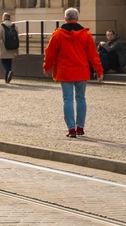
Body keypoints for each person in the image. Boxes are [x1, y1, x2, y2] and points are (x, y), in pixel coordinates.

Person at [42, 7, 104, 138]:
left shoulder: (58, 34)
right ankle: (80, 127)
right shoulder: (85, 35)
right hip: (81, 70)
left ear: (65, 19)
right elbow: (93, 55)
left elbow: (50, 52)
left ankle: (71, 129)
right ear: (77, 18)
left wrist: (47, 66)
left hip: (65, 71)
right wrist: (99, 70)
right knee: (81, 98)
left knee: (67, 99)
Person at [0, 12, 20, 83]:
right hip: (12, 48)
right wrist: (17, 50)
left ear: (4, 18)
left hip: (4, 47)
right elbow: (16, 38)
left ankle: (8, 71)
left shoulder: (1, 26)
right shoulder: (14, 26)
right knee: (9, 62)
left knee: (4, 62)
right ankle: (7, 79)